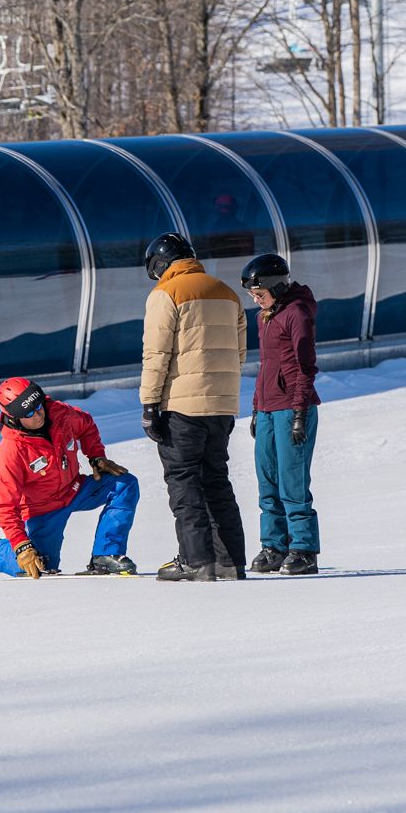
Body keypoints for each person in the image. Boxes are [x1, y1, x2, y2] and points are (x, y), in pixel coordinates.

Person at [139, 232, 249, 581]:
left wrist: (149, 405)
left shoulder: (166, 294)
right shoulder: (226, 291)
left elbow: (156, 355)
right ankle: (231, 562)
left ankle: (196, 560)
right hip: (222, 406)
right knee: (216, 480)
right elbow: (239, 353)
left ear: (161, 264)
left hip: (182, 407)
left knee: (184, 482)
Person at [0, 377, 140, 579]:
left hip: (75, 489)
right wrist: (21, 545)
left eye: (38, 406)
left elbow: (86, 425)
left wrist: (96, 456)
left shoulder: (59, 413)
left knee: (124, 484)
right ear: (14, 417)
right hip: (42, 509)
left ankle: (106, 554)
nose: (38, 414)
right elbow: (6, 507)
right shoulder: (10, 452)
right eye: (29, 413)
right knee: (39, 567)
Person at [242, 253, 321, 575]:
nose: (256, 300)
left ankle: (303, 548)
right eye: (252, 295)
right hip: (268, 409)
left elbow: (305, 367)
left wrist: (300, 412)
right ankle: (274, 546)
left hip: (292, 408)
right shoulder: (266, 317)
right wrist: (256, 408)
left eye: (259, 293)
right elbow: (265, 367)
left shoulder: (297, 313)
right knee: (267, 481)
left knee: (292, 482)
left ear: (276, 286)